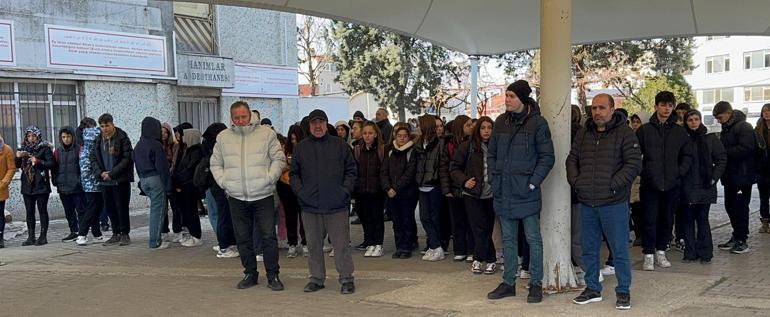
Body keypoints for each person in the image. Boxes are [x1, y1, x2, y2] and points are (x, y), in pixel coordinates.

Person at [567, 93, 641, 310]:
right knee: (589, 248)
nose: (597, 112)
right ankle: (592, 288)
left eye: (601, 108)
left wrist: (613, 184)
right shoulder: (584, 133)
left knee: (619, 250)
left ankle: (624, 291)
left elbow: (633, 164)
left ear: (612, 109)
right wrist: (576, 181)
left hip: (614, 202)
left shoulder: (625, 133)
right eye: (594, 108)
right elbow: (572, 159)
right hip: (587, 202)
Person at [486, 80, 554, 304]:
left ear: (523, 99)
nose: (507, 99)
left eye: (512, 96)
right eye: (506, 95)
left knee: (533, 239)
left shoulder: (538, 124)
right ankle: (508, 283)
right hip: (504, 191)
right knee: (508, 240)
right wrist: (494, 180)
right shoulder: (500, 122)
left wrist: (532, 183)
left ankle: (536, 285)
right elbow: (492, 154)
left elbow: (547, 157)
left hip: (526, 192)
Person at [211, 101, 286, 290]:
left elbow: (278, 158)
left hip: (263, 195)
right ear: (231, 118)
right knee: (242, 237)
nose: (240, 120)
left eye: (243, 116)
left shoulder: (266, 134)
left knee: (268, 236)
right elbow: (215, 163)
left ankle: (273, 275)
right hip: (236, 196)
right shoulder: (223, 137)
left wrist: (270, 178)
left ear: (250, 115)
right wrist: (224, 182)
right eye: (236, 117)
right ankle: (250, 273)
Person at [291, 109, 357, 295]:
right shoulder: (301, 148)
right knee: (313, 246)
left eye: (321, 122)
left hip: (336, 206)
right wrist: (300, 192)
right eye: (314, 123)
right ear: (309, 126)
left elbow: (351, 170)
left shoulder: (340, 145)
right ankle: (316, 279)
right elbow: (293, 174)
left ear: (327, 124)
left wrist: (344, 191)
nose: (318, 126)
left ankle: (346, 278)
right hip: (310, 207)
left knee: (341, 246)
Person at [636, 91, 691, 270]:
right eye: (663, 104)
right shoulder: (644, 130)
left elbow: (687, 156)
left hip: (672, 183)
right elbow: (635, 156)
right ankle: (648, 254)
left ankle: (661, 251)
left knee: (667, 219)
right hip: (650, 184)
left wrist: (679, 172)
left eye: (670, 105)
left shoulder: (680, 131)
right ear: (656, 106)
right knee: (649, 219)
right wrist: (645, 173)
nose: (666, 108)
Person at [450, 116, 497, 274]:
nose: (486, 131)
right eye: (483, 128)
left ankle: (480, 258)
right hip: (472, 195)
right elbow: (454, 168)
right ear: (478, 130)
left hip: (491, 194)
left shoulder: (497, 147)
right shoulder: (467, 146)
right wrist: (464, 181)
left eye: (489, 128)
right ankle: (486, 259)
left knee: (488, 228)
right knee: (479, 228)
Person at [681, 110, 726, 263]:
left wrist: (713, 178)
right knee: (687, 220)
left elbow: (721, 159)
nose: (693, 122)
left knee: (702, 219)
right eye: (690, 120)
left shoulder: (710, 139)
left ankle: (705, 252)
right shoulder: (682, 139)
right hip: (687, 186)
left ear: (700, 120)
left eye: (696, 119)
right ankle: (690, 252)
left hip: (705, 185)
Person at [713, 101, 756, 254]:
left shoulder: (743, 127)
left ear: (728, 113)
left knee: (740, 208)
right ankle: (736, 235)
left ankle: (742, 239)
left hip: (742, 176)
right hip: (730, 176)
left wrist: (724, 153)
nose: (718, 120)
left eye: (719, 117)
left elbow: (746, 148)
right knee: (730, 206)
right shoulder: (727, 128)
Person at [195, 123, 239, 258]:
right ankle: (225, 246)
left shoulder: (207, 145)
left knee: (221, 215)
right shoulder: (217, 147)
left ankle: (227, 244)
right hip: (219, 185)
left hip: (213, 185)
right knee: (224, 215)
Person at [91, 113, 134, 246]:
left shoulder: (122, 138)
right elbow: (93, 158)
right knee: (110, 208)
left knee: (121, 207)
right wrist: (100, 173)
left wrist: (113, 173)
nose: (105, 129)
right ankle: (115, 233)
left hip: (120, 180)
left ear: (113, 124)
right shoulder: (98, 140)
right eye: (102, 126)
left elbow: (127, 158)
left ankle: (125, 233)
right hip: (104, 180)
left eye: (107, 125)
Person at [414, 114, 451, 262]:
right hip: (422, 185)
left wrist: (445, 188)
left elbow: (442, 167)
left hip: (434, 185)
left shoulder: (440, 144)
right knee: (424, 217)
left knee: (434, 218)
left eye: (420, 125)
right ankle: (435, 246)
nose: (417, 128)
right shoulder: (418, 144)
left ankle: (437, 246)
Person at [134, 117, 173, 249]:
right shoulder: (156, 145)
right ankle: (155, 241)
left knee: (155, 209)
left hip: (144, 179)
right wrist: (168, 186)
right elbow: (162, 168)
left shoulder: (138, 145)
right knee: (158, 210)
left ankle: (156, 239)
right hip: (156, 178)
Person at [382, 125, 418, 259]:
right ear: (395, 136)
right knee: (396, 221)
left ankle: (407, 246)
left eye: (405, 136)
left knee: (407, 219)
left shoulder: (411, 152)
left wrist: (396, 188)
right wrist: (388, 188)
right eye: (399, 136)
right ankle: (399, 246)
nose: (402, 138)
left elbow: (410, 173)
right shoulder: (390, 152)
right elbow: (383, 172)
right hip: (391, 194)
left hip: (407, 193)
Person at [16, 126, 55, 246]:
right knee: (29, 211)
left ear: (38, 136)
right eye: (28, 136)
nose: (31, 138)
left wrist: (38, 161)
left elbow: (51, 163)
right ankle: (31, 237)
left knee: (42, 210)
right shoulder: (23, 148)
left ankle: (43, 236)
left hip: (41, 184)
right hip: (27, 184)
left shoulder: (44, 148)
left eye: (33, 135)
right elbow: (18, 165)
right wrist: (18, 157)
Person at [353, 121, 386, 257]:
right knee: (365, 217)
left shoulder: (381, 150)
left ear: (376, 135)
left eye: (370, 133)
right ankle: (370, 242)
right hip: (361, 190)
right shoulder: (358, 150)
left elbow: (383, 170)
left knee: (377, 217)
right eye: (365, 133)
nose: (367, 136)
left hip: (376, 190)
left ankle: (378, 244)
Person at [446, 115, 475, 262]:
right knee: (457, 220)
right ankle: (460, 249)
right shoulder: (449, 145)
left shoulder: (474, 143)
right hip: (454, 188)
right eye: (468, 125)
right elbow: (445, 169)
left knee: (471, 220)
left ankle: (471, 250)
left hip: (470, 187)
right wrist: (447, 189)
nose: (471, 127)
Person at [278, 125, 308, 258]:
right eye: (292, 139)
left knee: (304, 217)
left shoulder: (306, 149)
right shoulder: (284, 150)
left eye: (296, 139)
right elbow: (278, 167)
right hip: (286, 185)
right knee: (290, 216)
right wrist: (288, 165)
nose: (294, 141)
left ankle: (306, 243)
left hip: (302, 186)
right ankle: (292, 244)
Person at [172, 128, 204, 247]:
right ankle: (192, 234)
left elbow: (189, 170)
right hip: (184, 186)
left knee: (191, 212)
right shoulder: (187, 151)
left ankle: (196, 236)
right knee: (187, 211)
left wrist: (178, 181)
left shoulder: (195, 152)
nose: (181, 137)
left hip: (189, 186)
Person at [75, 126, 105, 246]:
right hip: (91, 186)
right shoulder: (86, 153)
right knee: (91, 209)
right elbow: (86, 171)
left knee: (97, 209)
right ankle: (81, 234)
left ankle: (97, 233)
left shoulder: (93, 151)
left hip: (97, 185)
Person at [53, 127, 84, 243]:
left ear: (73, 137)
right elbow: (54, 169)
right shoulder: (57, 152)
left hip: (76, 187)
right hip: (63, 187)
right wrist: (56, 181)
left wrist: (79, 181)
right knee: (68, 211)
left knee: (80, 210)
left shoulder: (79, 150)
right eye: (63, 137)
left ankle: (82, 232)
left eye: (68, 136)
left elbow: (83, 168)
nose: (66, 139)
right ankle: (73, 231)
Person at [160, 122, 182, 241]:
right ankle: (164, 231)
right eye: (161, 132)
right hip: (161, 180)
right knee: (162, 207)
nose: (163, 134)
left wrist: (169, 171)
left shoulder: (175, 145)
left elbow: (175, 162)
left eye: (166, 132)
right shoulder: (157, 145)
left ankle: (177, 230)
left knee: (176, 207)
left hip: (172, 179)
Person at [755, 103, 770, 234]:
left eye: (768, 111)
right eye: (764, 111)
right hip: (762, 168)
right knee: (763, 196)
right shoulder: (758, 128)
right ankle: (765, 222)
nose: (766, 113)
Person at [0, 132, 15, 249]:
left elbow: (11, 168)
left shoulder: (6, 149)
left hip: (1, 188)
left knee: (0, 214)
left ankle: (0, 238)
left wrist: (4, 182)